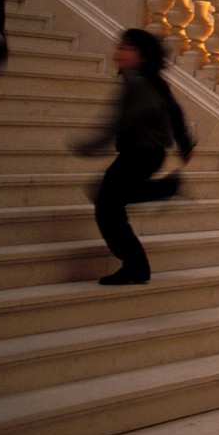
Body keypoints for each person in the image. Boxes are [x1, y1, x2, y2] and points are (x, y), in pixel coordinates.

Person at [70, 29, 195, 285]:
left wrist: (93, 145)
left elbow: (118, 122)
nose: (118, 54)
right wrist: (184, 142)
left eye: (126, 49)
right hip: (147, 153)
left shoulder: (138, 84)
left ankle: (135, 264)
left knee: (107, 205)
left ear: (141, 56)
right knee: (107, 200)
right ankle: (164, 191)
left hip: (140, 153)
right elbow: (174, 110)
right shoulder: (149, 81)